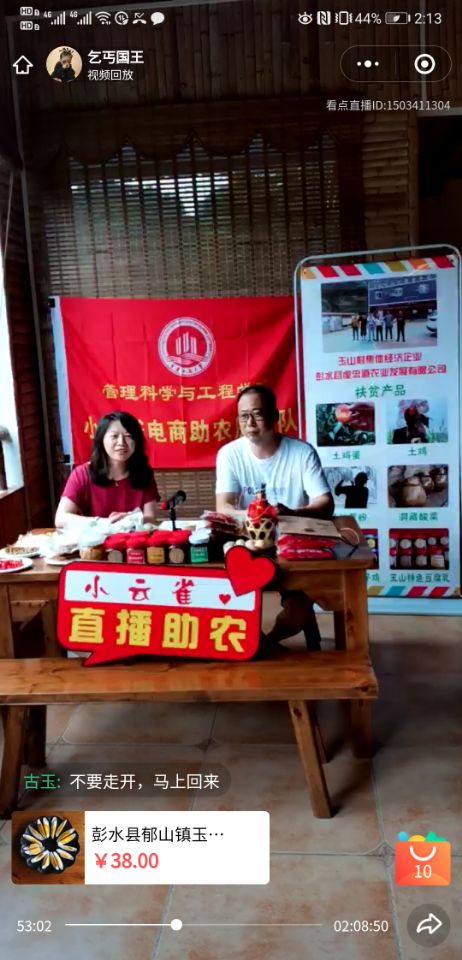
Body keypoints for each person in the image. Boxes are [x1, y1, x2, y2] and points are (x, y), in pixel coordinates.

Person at [215, 385, 334, 652]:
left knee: (299, 611)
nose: (250, 423)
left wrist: (291, 513)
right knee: (221, 596)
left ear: (274, 416)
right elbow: (224, 506)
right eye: (244, 416)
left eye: (257, 414)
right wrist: (259, 516)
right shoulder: (229, 454)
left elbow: (325, 503)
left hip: (292, 546)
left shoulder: (301, 452)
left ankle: (265, 644)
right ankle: (252, 642)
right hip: (249, 544)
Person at [55, 411, 159, 525]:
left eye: (128, 436)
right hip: (94, 536)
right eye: (114, 436)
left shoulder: (143, 472)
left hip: (132, 535)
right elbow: (61, 519)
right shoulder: (82, 474)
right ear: (101, 439)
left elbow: (150, 518)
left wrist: (130, 520)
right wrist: (104, 523)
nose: (121, 442)